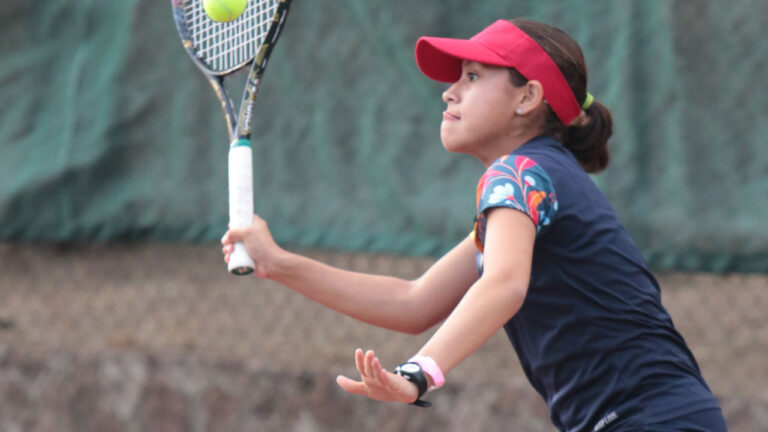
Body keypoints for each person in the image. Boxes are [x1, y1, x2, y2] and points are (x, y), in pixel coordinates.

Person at [221, 18, 727, 431]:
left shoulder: (518, 174)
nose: (449, 92)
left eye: (473, 77)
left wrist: (419, 374)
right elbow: (414, 302)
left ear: (527, 98)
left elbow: (504, 285)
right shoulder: (535, 184)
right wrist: (279, 263)